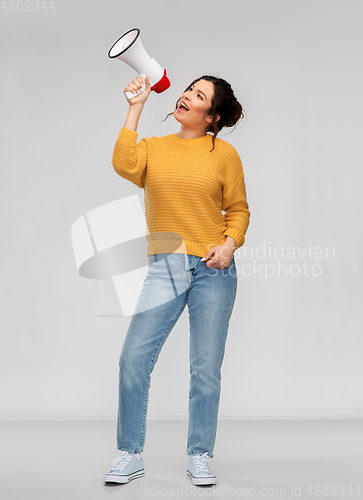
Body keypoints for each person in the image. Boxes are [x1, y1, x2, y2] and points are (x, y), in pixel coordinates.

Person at [103, 74, 251, 486]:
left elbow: (238, 210)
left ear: (212, 116)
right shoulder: (153, 148)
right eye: (189, 89)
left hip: (213, 268)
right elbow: (122, 163)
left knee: (205, 368)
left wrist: (229, 245)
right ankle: (129, 454)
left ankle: (199, 454)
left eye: (199, 96)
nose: (186, 96)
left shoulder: (225, 155)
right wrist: (136, 107)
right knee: (133, 359)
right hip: (165, 265)